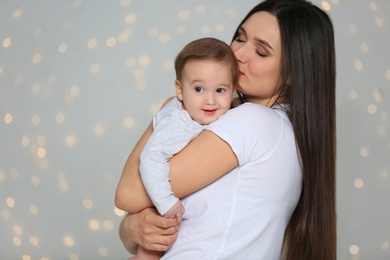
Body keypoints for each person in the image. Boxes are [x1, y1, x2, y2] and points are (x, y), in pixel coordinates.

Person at [115, 0, 336, 259]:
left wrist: (167, 112)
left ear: (293, 73)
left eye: (261, 52)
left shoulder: (254, 121)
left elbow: (128, 194)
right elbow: (192, 228)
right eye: (240, 38)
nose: (239, 54)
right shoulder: (279, 128)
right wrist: (131, 230)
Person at [132, 37, 238, 259]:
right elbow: (150, 158)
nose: (210, 100)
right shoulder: (179, 123)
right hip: (158, 204)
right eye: (199, 89)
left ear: (233, 91)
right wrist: (167, 203)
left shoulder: (203, 114)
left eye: (220, 90)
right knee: (157, 240)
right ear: (180, 90)